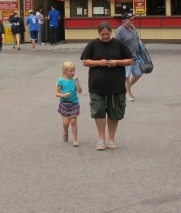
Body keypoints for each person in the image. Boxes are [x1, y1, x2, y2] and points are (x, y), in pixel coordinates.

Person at [81, 21, 134, 151]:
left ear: (111, 32)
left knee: (114, 113)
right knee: (98, 112)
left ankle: (111, 138)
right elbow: (85, 62)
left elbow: (130, 60)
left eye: (107, 34)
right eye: (103, 34)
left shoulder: (119, 44)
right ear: (99, 33)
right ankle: (101, 138)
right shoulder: (92, 45)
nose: (105, 36)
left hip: (116, 86)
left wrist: (116, 62)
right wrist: (98, 62)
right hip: (97, 86)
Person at [115, 13, 143, 101]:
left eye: (133, 19)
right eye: (130, 20)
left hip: (136, 55)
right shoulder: (120, 31)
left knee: (138, 73)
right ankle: (127, 93)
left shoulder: (133, 27)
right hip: (126, 57)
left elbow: (137, 37)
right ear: (124, 21)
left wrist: (139, 42)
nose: (132, 21)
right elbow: (117, 44)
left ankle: (127, 88)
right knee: (126, 76)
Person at [55, 61, 81, 147]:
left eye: (74, 70)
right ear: (65, 71)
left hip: (74, 103)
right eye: (71, 71)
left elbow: (80, 91)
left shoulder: (74, 80)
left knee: (73, 122)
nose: (73, 72)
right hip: (64, 103)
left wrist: (77, 82)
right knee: (66, 123)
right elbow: (56, 93)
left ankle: (75, 139)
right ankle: (65, 131)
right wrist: (64, 95)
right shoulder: (60, 80)